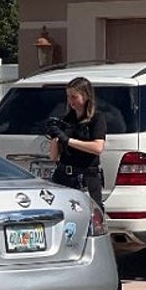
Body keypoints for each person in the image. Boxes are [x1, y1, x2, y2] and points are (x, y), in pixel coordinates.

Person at [46, 76, 106, 209]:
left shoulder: (96, 119)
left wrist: (68, 140)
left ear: (86, 97)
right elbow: (53, 156)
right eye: (68, 97)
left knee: (89, 216)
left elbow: (97, 147)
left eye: (74, 97)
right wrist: (54, 136)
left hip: (86, 178)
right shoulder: (66, 119)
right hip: (64, 176)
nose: (70, 101)